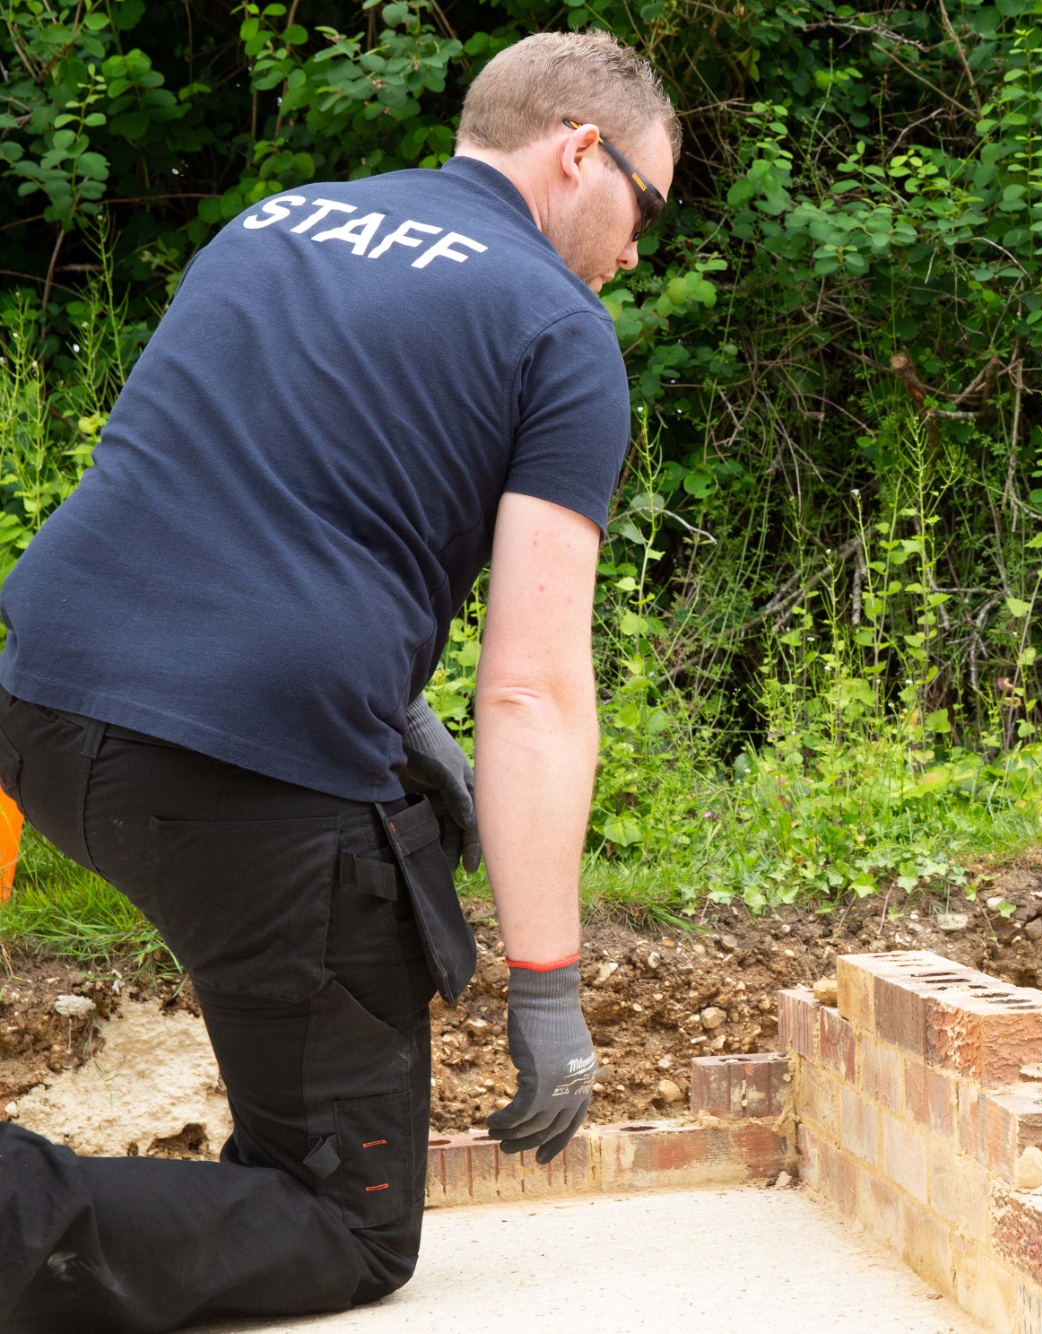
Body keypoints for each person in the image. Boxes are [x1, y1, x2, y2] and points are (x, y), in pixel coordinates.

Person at [0, 31, 677, 1333]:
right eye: (644, 206)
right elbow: (534, 692)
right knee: (344, 1224)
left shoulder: (282, 222)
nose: (637, 249)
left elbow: (237, 492)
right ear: (579, 153)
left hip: (41, 705)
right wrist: (547, 986)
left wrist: (389, 704)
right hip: (238, 772)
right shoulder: (557, 327)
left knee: (373, 839)